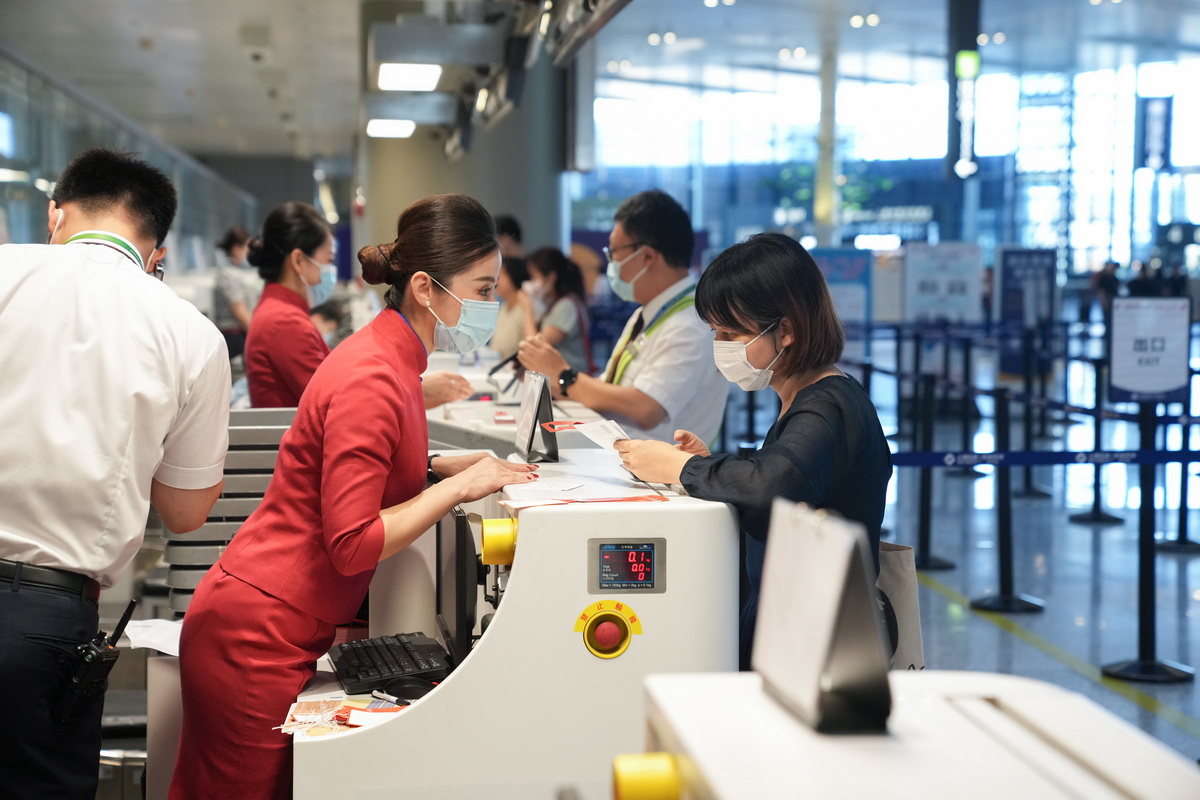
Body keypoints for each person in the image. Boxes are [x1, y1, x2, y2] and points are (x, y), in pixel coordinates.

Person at [168, 194, 537, 798]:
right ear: (425, 287)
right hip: (254, 635)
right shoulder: (375, 374)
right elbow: (351, 542)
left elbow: (355, 470)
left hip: (273, 619)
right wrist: (460, 489)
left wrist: (437, 466)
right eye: (482, 289)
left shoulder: (389, 356)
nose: (490, 307)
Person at [0, 147, 230, 799]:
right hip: (41, 619)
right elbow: (185, 513)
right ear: (157, 249)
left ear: (55, 214)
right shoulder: (187, 332)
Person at [614, 233, 892, 670]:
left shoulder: (828, 405)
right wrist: (708, 464)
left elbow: (774, 483)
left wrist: (685, 468)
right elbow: (793, 479)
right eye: (715, 332)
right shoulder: (802, 399)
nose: (721, 345)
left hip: (814, 645)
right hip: (790, 626)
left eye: (732, 332)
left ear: (785, 330)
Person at [517, 189, 729, 444]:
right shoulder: (648, 312)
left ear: (647, 256)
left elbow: (646, 408)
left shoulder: (692, 323)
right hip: (623, 462)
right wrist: (558, 383)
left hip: (659, 479)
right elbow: (611, 388)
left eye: (615, 252)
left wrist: (564, 375)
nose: (611, 263)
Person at [242, 202, 338, 407]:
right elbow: (333, 403)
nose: (330, 271)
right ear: (299, 261)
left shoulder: (277, 309)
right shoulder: (285, 321)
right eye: (328, 260)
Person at [519, 246, 596, 374]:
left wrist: (527, 308)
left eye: (534, 276)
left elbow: (535, 346)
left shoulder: (567, 306)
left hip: (571, 383)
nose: (531, 282)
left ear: (551, 278)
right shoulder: (553, 304)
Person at [213, 225, 257, 361]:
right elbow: (240, 311)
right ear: (237, 248)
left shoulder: (236, 272)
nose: (249, 252)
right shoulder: (228, 274)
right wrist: (257, 337)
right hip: (233, 336)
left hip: (240, 333)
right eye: (247, 248)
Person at [491, 254, 530, 360]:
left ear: (514, 275)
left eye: (501, 275)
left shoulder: (528, 309)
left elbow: (531, 345)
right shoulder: (503, 308)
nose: (496, 281)